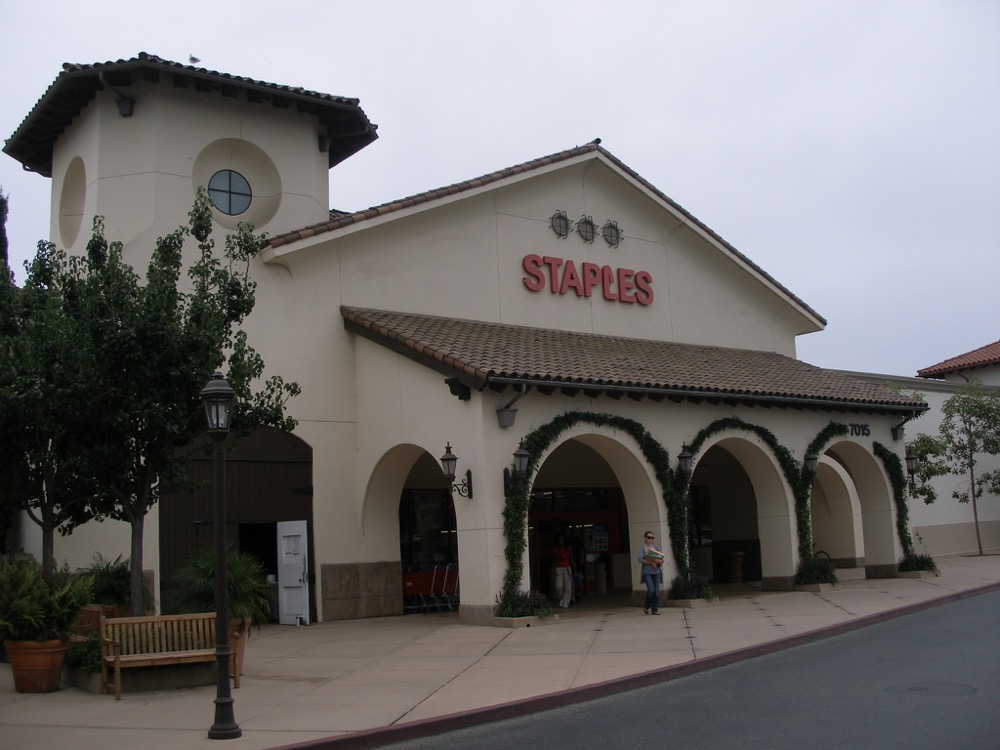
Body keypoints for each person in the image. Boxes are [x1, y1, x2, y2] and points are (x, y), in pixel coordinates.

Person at [637, 531, 663, 614]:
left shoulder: (656, 548)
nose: (650, 539)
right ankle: (646, 606)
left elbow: (661, 558)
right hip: (647, 572)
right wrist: (651, 563)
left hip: (656, 572)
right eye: (649, 537)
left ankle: (655, 610)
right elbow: (640, 559)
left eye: (652, 538)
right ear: (645, 538)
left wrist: (659, 562)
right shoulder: (642, 548)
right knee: (651, 590)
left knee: (656, 592)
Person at [553, 535, 574, 609]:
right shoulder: (557, 549)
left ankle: (566, 603)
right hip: (558, 568)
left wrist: (574, 568)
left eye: (562, 539)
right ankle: (561, 598)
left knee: (568, 587)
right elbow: (554, 559)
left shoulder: (568, 548)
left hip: (567, 568)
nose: (561, 541)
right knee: (559, 586)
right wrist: (553, 569)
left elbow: (571, 558)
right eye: (560, 539)